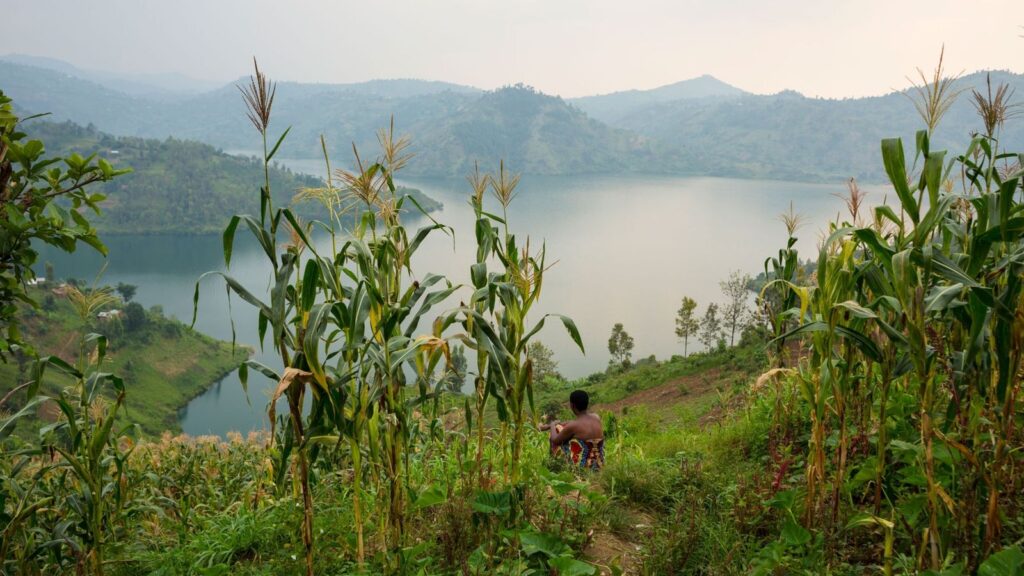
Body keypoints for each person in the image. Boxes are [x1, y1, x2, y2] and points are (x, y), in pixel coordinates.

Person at [539, 390, 605, 471]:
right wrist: (549, 426)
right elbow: (575, 423)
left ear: (572, 405)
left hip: (583, 469)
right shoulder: (596, 417)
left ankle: (556, 468)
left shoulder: (574, 426)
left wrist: (552, 425)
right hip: (599, 465)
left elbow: (555, 440)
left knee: (556, 431)